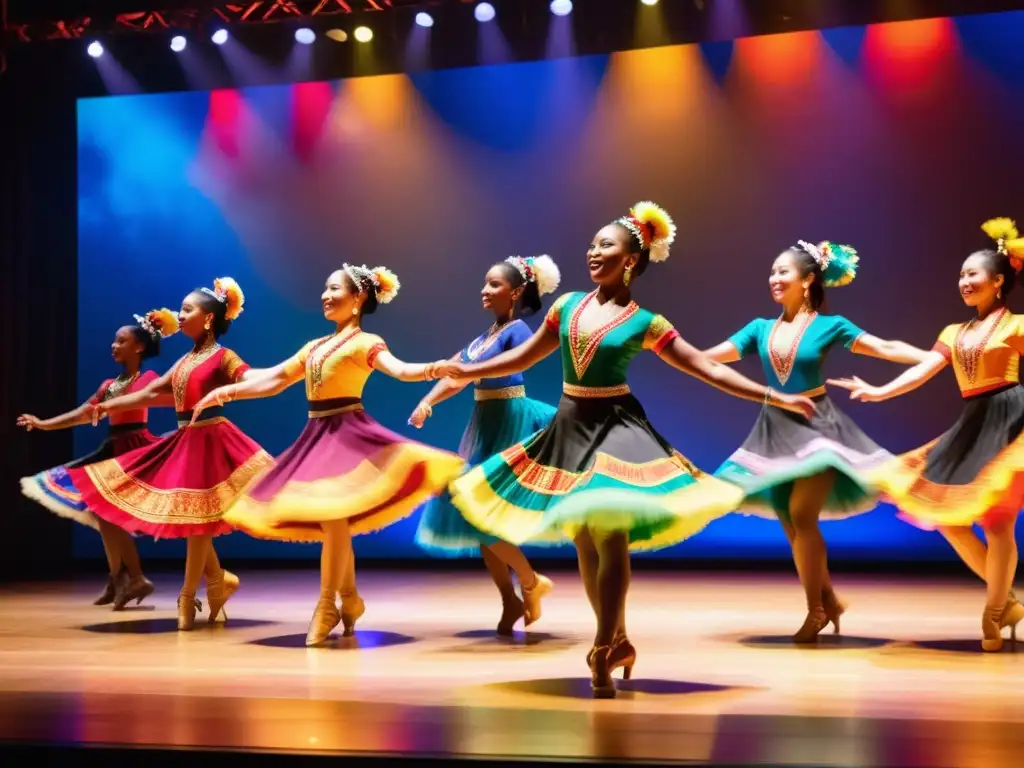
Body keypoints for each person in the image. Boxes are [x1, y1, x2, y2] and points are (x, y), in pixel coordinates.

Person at [442, 202, 816, 697]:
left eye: (606, 247)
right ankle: (616, 637)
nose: (594, 253)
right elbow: (524, 354)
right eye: (593, 245)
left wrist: (774, 394)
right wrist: (468, 370)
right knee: (582, 537)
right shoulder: (567, 306)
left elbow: (707, 368)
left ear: (632, 262)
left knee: (609, 529)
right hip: (569, 427)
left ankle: (600, 645)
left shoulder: (646, 322)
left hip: (616, 428)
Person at [192, 265, 465, 647]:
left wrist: (434, 368)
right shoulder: (315, 347)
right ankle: (349, 599)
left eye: (334, 288)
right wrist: (225, 391)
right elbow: (272, 379)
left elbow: (401, 371)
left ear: (357, 300)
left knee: (334, 519)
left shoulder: (365, 342)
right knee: (332, 522)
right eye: (324, 286)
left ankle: (327, 605)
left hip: (349, 435)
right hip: (316, 436)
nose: (325, 294)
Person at [702, 240, 931, 641]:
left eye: (783, 272)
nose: (774, 278)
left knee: (802, 514)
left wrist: (935, 357)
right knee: (791, 521)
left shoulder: (830, 326)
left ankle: (815, 611)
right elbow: (708, 356)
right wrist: (664, 347)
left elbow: (885, 347)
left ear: (807, 280)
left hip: (818, 428)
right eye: (772, 272)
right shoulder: (759, 329)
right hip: (774, 432)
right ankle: (828, 600)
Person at [829, 218, 1024, 652]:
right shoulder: (953, 333)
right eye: (960, 275)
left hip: (1011, 420)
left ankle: (992, 615)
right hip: (973, 424)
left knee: (997, 524)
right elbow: (924, 369)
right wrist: (879, 391)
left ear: (997, 281)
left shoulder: (1017, 326)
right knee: (949, 520)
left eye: (973, 274)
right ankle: (1006, 601)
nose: (964, 281)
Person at [66, 278, 275, 630]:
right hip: (185, 441)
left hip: (213, 441)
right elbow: (148, 393)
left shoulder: (223, 357)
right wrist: (108, 405)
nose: (180, 316)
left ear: (208, 319)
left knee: (198, 522)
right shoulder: (183, 361)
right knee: (193, 520)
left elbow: (250, 377)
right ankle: (216, 582)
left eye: (187, 310)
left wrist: (286, 371)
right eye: (181, 310)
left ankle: (187, 594)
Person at [409, 255, 561, 635]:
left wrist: (466, 373)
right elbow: (456, 372)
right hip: (485, 423)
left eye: (494, 284)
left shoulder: (519, 331)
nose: (485, 290)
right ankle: (510, 599)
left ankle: (529, 582)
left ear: (516, 292)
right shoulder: (483, 339)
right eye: (485, 283)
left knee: (482, 514)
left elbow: (508, 364)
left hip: (512, 422)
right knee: (475, 514)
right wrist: (428, 401)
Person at [17, 309, 178, 609]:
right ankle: (119, 577)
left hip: (135, 449)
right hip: (113, 447)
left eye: (121, 341)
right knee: (102, 512)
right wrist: (43, 423)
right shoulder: (108, 385)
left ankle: (134, 577)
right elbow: (81, 414)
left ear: (139, 347)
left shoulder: (149, 379)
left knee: (108, 513)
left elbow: (175, 397)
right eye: (114, 342)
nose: (114, 346)